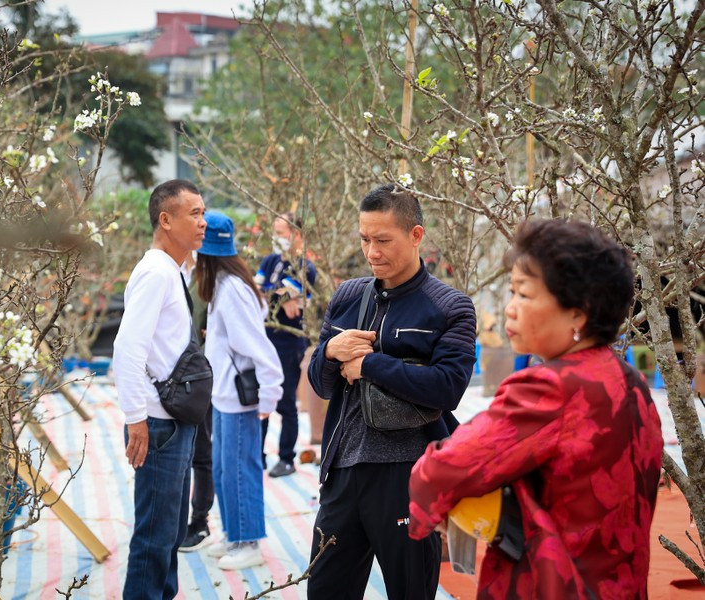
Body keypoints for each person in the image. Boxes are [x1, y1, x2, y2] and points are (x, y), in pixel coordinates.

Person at [408, 219, 664, 599]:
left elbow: (437, 474)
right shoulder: (630, 382)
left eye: (524, 295)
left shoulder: (549, 388)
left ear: (579, 311)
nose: (509, 310)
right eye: (512, 293)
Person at [307, 183, 477, 599]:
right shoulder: (348, 296)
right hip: (342, 469)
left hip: (408, 474)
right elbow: (320, 383)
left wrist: (370, 365)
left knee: (411, 591)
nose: (372, 252)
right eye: (365, 239)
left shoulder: (450, 306)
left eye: (383, 240)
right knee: (325, 590)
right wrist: (329, 351)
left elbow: (447, 389)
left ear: (416, 235)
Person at [112, 179, 207, 600]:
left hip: (173, 420)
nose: (203, 222)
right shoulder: (155, 273)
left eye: (203, 213)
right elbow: (127, 348)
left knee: (167, 531)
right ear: (166, 220)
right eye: (194, 214)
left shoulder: (174, 270)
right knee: (153, 537)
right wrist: (136, 418)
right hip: (157, 423)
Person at [195, 211, 284, 570]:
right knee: (222, 470)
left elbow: (258, 347)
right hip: (224, 394)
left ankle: (248, 541)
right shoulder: (224, 284)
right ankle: (235, 533)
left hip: (238, 398)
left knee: (238, 469)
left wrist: (270, 393)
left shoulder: (231, 289)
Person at [255, 212, 317, 477]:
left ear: (297, 235)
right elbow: (257, 290)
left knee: (286, 402)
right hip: (264, 339)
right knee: (260, 400)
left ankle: (286, 458)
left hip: (288, 342)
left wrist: (277, 294)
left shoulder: (304, 267)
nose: (276, 238)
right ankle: (256, 455)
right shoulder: (269, 261)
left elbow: (283, 297)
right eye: (275, 231)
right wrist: (276, 292)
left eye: (281, 232)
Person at [178, 251, 215, 552]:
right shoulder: (177, 275)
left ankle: (199, 520)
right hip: (178, 379)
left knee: (201, 453)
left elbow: (203, 330)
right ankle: (184, 521)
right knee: (185, 454)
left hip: (198, 379)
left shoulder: (205, 282)